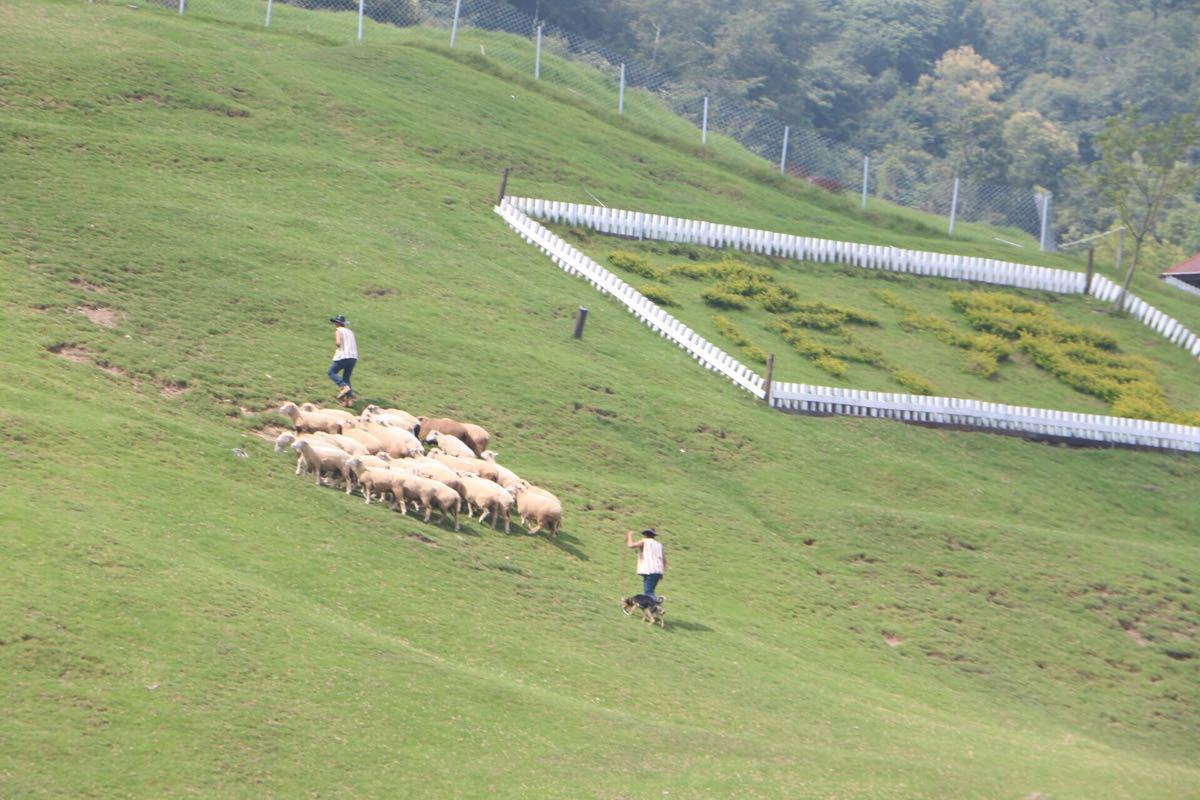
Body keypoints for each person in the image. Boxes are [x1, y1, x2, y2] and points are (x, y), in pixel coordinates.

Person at [625, 527, 666, 600]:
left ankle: (657, 606)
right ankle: (653, 607)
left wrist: (629, 535)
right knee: (649, 591)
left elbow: (630, 545)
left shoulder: (644, 541)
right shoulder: (659, 545)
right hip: (658, 571)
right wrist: (662, 573)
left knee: (648, 593)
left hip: (649, 570)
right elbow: (664, 560)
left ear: (645, 534)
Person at [327, 315, 358, 403]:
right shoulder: (350, 331)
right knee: (346, 378)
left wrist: (338, 345)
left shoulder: (338, 330)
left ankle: (344, 387)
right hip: (353, 357)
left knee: (331, 372)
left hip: (343, 356)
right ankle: (349, 400)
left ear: (337, 323)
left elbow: (338, 343)